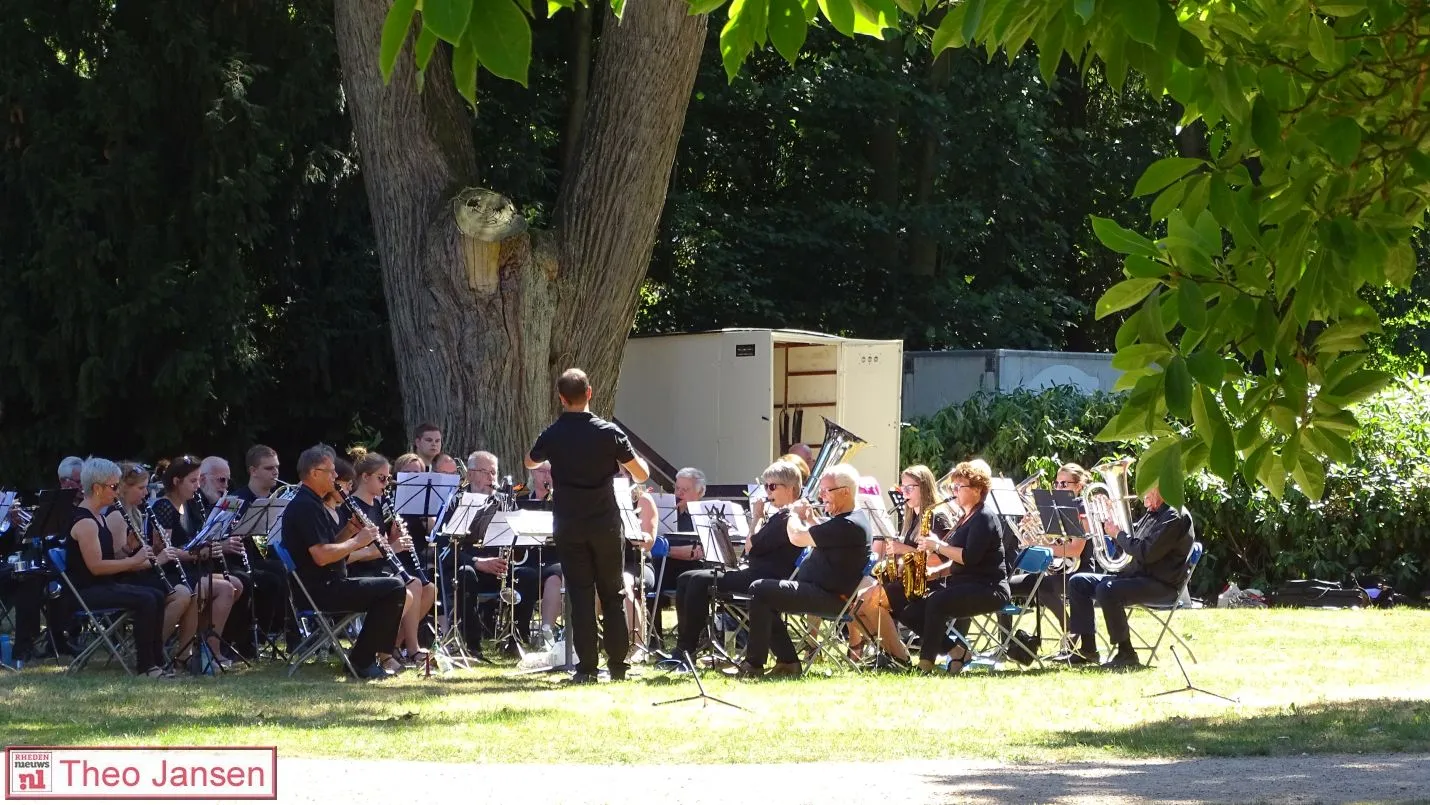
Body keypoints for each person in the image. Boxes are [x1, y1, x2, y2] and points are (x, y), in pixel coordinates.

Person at [526, 368, 649, 683]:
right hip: (605, 523)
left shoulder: (552, 433)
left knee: (580, 595)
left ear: (561, 398)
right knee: (612, 592)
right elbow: (642, 474)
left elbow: (530, 461)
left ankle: (586, 668)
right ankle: (618, 665)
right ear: (590, 393)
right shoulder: (609, 433)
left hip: (568, 523)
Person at [729, 463, 871, 679]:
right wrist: (812, 518)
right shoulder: (846, 520)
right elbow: (825, 538)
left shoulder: (849, 524)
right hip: (818, 590)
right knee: (764, 595)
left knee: (760, 589)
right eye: (821, 491)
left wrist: (792, 514)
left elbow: (797, 537)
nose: (822, 496)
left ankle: (755, 664)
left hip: (831, 597)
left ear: (845, 492)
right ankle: (787, 662)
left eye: (826, 491)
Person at [281, 444, 407, 679]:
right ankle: (362, 661)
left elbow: (328, 545)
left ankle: (365, 657)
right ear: (314, 473)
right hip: (320, 589)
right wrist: (358, 541)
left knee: (393, 585)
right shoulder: (305, 507)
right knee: (394, 589)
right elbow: (321, 556)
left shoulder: (313, 503)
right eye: (330, 472)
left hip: (326, 583)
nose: (336, 476)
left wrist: (348, 531)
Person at [671, 460, 805, 665]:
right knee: (685, 578)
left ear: (791, 489)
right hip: (756, 572)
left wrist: (756, 518)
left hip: (766, 578)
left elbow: (750, 546)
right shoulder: (780, 515)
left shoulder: (788, 517)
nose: (767, 492)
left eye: (772, 487)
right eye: (765, 486)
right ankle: (684, 645)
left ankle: (686, 651)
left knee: (698, 581)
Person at [1062, 483, 1194, 669]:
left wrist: (1118, 534)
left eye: (1147, 490)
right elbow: (1129, 545)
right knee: (1078, 582)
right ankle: (1088, 649)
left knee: (1107, 590)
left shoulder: (1175, 517)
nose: (1142, 497)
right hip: (1137, 577)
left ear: (1160, 488)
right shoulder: (1153, 513)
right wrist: (1110, 519)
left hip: (1161, 585)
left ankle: (1126, 653)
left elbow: (1146, 552)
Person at [63, 458, 170, 677]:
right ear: (96, 488)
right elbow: (96, 567)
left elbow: (107, 557)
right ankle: (146, 667)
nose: (117, 491)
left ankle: (157, 662)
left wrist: (127, 550)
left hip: (103, 586)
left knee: (157, 594)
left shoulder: (98, 517)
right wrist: (134, 560)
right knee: (146, 599)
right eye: (113, 487)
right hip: (87, 591)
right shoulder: (85, 523)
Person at [912, 459, 1011, 675]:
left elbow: (969, 558)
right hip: (965, 585)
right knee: (911, 607)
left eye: (960, 486)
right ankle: (957, 652)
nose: (954, 491)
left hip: (989, 589)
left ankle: (925, 663)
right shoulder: (965, 517)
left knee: (936, 602)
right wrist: (934, 573)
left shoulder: (984, 518)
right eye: (953, 486)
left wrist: (938, 545)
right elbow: (956, 562)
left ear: (977, 490)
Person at [849, 465, 954, 665]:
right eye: (902, 488)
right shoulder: (912, 517)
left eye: (909, 488)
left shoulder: (936, 516)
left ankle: (899, 657)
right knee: (857, 607)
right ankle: (893, 652)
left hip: (928, 583)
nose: (904, 494)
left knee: (869, 600)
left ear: (923, 487)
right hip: (907, 580)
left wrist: (902, 549)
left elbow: (942, 559)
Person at [150, 455, 246, 667]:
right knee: (224, 589)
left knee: (236, 584)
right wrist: (200, 553)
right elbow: (167, 550)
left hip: (188, 569)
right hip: (171, 573)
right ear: (176, 482)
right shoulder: (164, 507)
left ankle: (201, 646)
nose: (197, 486)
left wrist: (210, 546)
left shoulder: (188, 506)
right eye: (193, 481)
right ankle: (196, 653)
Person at [107, 462, 200, 670]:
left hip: (140, 573)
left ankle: (183, 654)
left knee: (190, 593)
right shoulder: (116, 516)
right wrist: (159, 559)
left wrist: (155, 550)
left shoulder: (136, 514)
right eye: (140, 489)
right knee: (182, 595)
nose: (146, 493)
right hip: (125, 579)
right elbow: (120, 563)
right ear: (122, 488)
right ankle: (150, 651)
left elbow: (137, 553)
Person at [350, 448, 436, 665]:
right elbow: (354, 552)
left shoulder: (377, 505)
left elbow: (383, 540)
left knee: (429, 589)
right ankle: (406, 650)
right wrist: (393, 547)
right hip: (361, 570)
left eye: (388, 479)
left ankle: (395, 646)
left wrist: (394, 536)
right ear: (365, 477)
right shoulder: (351, 508)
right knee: (413, 584)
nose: (386, 484)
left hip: (379, 566)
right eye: (382, 478)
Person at [454, 450, 536, 653]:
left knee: (529, 576)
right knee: (466, 574)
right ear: (471, 474)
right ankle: (472, 642)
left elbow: (519, 543)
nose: (492, 478)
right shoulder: (456, 502)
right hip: (471, 566)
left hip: (499, 568)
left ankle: (517, 637)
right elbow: (448, 548)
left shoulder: (505, 502)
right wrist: (477, 562)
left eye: (494, 472)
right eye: (486, 472)